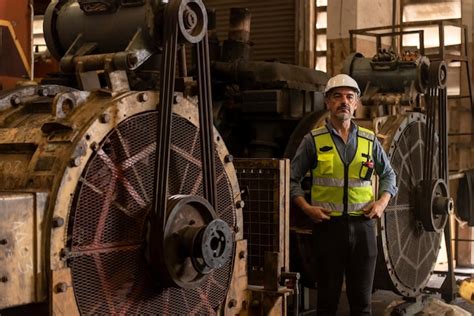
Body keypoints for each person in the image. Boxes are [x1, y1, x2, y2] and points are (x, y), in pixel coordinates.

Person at [290, 74, 398, 315]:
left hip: (364, 229)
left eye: (350, 97)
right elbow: (291, 179)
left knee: (362, 304)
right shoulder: (313, 141)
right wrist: (307, 208)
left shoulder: (370, 141)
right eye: (337, 96)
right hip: (328, 229)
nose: (344, 102)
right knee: (327, 303)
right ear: (327, 102)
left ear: (356, 103)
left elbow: (390, 176)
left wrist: (381, 202)